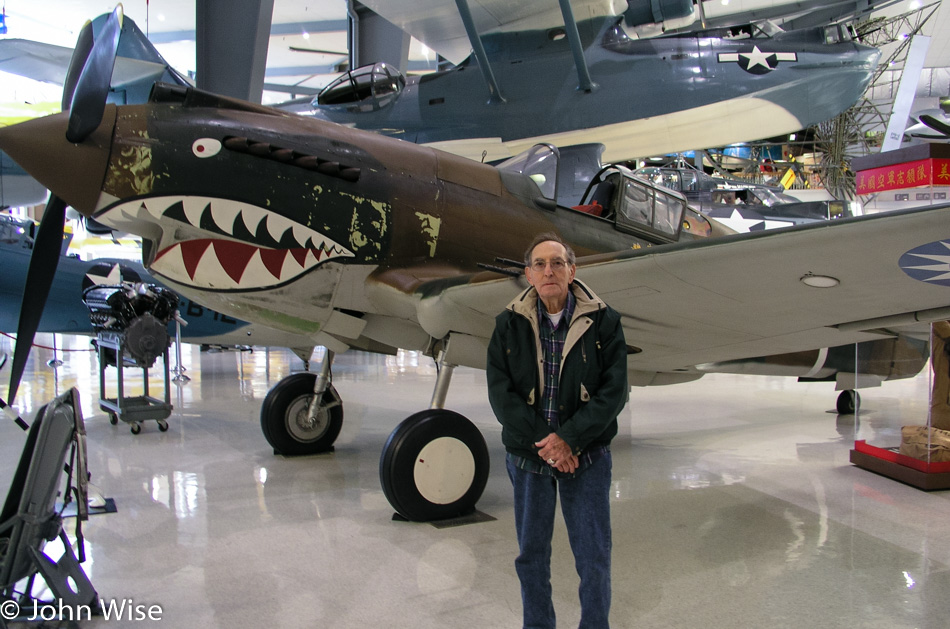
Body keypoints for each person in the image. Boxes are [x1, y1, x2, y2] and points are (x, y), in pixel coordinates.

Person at [487, 232, 629, 628]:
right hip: (528, 458)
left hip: (587, 458)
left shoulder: (605, 322)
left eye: (557, 263)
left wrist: (570, 440)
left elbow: (614, 393)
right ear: (529, 275)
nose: (549, 271)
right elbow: (502, 395)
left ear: (572, 270)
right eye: (540, 264)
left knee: (593, 558)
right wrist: (547, 444)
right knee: (531, 557)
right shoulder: (507, 325)